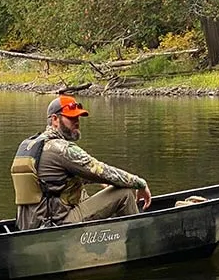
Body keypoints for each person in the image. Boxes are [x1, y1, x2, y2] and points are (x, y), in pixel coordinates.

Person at [10, 95, 152, 230]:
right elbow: (101, 170)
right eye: (71, 118)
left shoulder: (31, 145)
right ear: (54, 119)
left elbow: (52, 182)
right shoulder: (62, 149)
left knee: (83, 191)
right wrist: (140, 183)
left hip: (29, 225)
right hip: (56, 224)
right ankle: (138, 241)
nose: (76, 121)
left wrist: (100, 181)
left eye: (77, 117)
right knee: (125, 192)